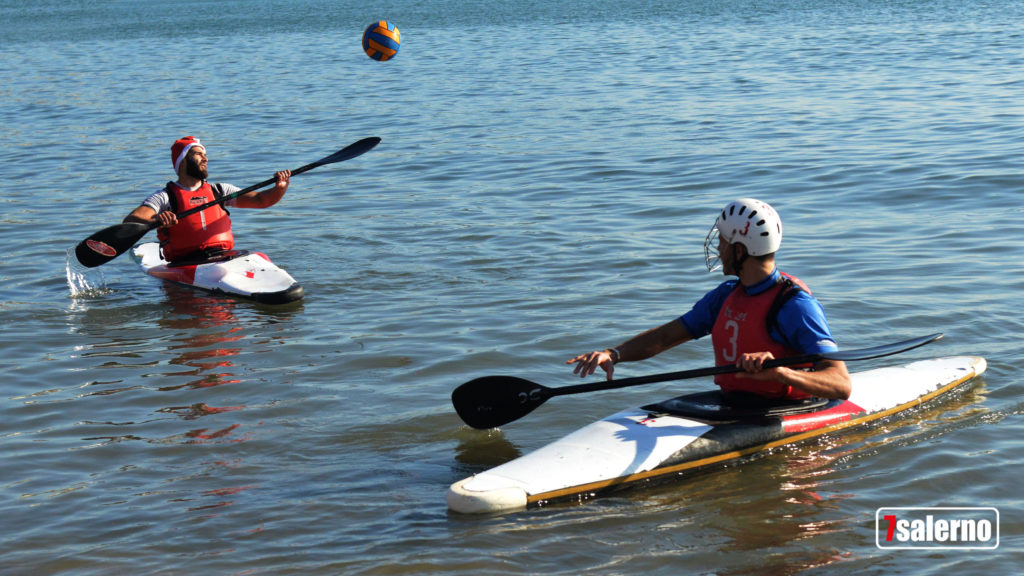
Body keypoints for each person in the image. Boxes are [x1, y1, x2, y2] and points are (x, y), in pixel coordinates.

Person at [567, 198, 851, 401]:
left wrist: (781, 373)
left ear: (740, 250)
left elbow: (840, 384)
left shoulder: (794, 306)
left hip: (786, 410)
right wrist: (613, 354)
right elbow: (666, 336)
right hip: (737, 405)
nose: (717, 246)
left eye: (723, 242)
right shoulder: (726, 296)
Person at [123, 136, 291, 263]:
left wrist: (280, 187)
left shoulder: (220, 191)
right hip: (185, 264)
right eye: (198, 154)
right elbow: (131, 221)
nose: (206, 159)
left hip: (224, 258)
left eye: (205, 154)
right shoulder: (165, 197)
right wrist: (158, 219)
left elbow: (262, 200)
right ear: (182, 162)